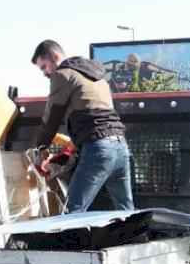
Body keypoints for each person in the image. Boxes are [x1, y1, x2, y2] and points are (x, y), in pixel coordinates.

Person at [31, 39, 133, 214]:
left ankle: (69, 242)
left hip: (99, 148)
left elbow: (51, 118)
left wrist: (39, 148)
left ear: (55, 57)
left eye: (44, 67)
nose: (45, 73)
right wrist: (57, 160)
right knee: (126, 211)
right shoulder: (98, 77)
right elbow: (91, 132)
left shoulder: (63, 75)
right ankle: (137, 239)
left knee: (73, 211)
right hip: (120, 148)